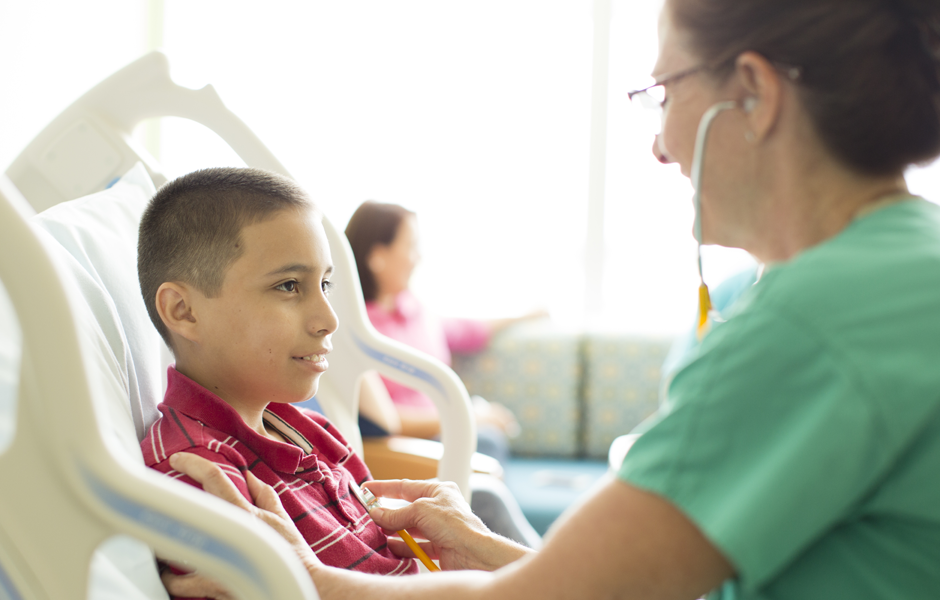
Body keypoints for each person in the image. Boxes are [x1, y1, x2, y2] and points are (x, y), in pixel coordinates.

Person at [164, 1, 940, 598]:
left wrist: (299, 577)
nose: (658, 144)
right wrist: (484, 546)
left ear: (754, 93)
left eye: (663, 92)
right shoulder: (904, 268)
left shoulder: (813, 325)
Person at [136, 167, 418, 589]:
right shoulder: (199, 473)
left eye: (325, 284)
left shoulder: (313, 432)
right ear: (184, 311)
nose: (328, 319)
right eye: (288, 286)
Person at [345, 200, 542, 462]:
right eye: (411, 246)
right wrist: (469, 417)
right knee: (487, 442)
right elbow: (384, 418)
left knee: (489, 438)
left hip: (445, 428)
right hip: (406, 446)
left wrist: (526, 316)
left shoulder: (415, 311)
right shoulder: (356, 332)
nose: (418, 258)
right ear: (377, 256)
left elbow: (467, 330)